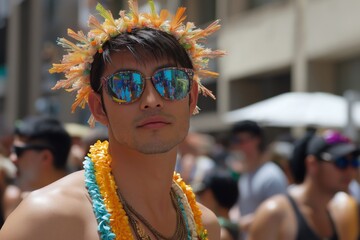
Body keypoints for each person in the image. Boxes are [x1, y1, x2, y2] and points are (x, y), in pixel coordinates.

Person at [0, 1, 225, 239]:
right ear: (99, 108)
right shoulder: (49, 218)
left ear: (191, 98)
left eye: (170, 81)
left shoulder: (205, 226)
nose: (151, 99)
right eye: (126, 85)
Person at [248, 130, 360, 240]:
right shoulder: (275, 214)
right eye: (341, 162)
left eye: (354, 162)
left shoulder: (341, 214)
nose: (350, 171)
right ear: (312, 164)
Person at [2, 116, 72, 219]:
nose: (13, 158)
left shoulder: (77, 206)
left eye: (18, 151)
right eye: (12, 150)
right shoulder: (15, 198)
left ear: (45, 157)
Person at [230, 120, 288, 237]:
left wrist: (245, 222)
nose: (238, 146)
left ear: (257, 140)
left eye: (242, 141)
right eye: (236, 141)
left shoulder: (271, 175)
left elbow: (281, 213)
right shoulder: (247, 174)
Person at [195, 169, 240, 240]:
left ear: (209, 194)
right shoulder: (227, 228)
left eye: (201, 193)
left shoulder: (222, 235)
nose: (198, 197)